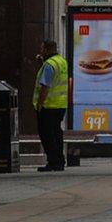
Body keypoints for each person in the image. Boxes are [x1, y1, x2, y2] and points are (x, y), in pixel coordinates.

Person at [34, 39, 70, 171]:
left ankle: (53, 162)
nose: (40, 51)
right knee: (56, 133)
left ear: (47, 50)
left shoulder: (49, 65)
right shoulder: (61, 61)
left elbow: (45, 86)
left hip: (48, 106)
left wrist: (39, 104)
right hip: (60, 105)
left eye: (42, 48)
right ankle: (60, 160)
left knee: (47, 135)